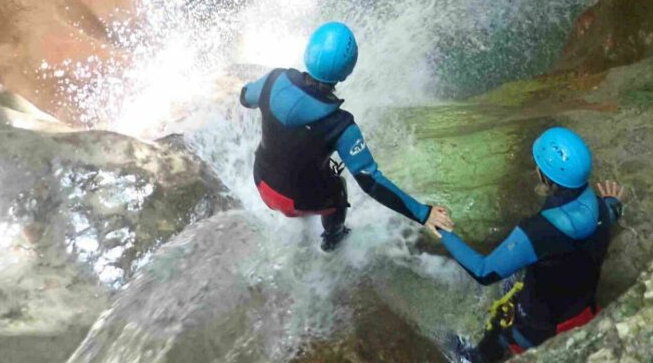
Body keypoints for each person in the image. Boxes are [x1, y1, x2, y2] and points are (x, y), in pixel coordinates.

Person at [240, 21, 454, 251]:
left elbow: (245, 97)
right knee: (337, 186)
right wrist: (424, 214)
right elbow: (371, 182)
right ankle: (333, 238)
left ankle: (304, 216)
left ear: (309, 52)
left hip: (261, 181)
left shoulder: (273, 80)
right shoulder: (341, 125)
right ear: (347, 72)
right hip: (298, 202)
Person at [438, 127, 623, 361]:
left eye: (539, 165)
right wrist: (614, 202)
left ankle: (471, 359)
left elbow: (483, 272)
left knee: (499, 328)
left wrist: (442, 231)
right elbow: (610, 213)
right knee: (516, 283)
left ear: (544, 175)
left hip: (541, 329)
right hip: (583, 311)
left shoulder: (537, 231)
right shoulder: (602, 210)